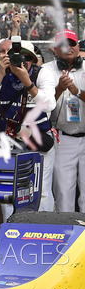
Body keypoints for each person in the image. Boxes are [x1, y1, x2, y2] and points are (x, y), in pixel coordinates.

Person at [0, 38, 54, 215]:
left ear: (33, 61)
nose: (22, 61)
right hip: (8, 140)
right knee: (9, 192)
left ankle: (41, 233)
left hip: (37, 139)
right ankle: (11, 233)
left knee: (41, 192)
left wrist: (28, 83)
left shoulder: (42, 74)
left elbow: (49, 105)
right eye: (16, 57)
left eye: (27, 58)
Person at [37, 30, 85, 213]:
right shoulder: (46, 70)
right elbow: (43, 104)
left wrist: (76, 92)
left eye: (72, 43)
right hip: (63, 138)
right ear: (55, 49)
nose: (69, 48)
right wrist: (59, 89)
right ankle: (69, 235)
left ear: (78, 47)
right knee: (64, 193)